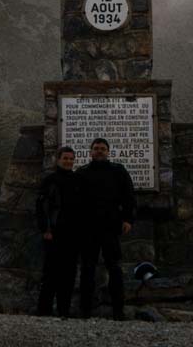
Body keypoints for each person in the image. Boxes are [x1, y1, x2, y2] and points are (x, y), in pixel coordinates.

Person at [77, 137, 136, 320]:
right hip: (88, 227)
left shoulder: (118, 171)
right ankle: (85, 310)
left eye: (103, 148)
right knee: (87, 268)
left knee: (114, 268)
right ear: (91, 152)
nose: (99, 151)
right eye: (96, 148)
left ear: (108, 151)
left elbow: (129, 196)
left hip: (111, 226)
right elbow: (75, 201)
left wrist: (127, 219)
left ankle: (118, 310)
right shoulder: (82, 172)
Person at [36, 145, 81, 317]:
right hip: (53, 232)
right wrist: (45, 228)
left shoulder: (77, 180)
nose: (68, 161)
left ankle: (64, 310)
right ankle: (44, 310)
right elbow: (41, 206)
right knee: (50, 273)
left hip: (73, 234)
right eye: (65, 158)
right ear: (58, 159)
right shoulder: (50, 180)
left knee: (69, 274)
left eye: (71, 159)